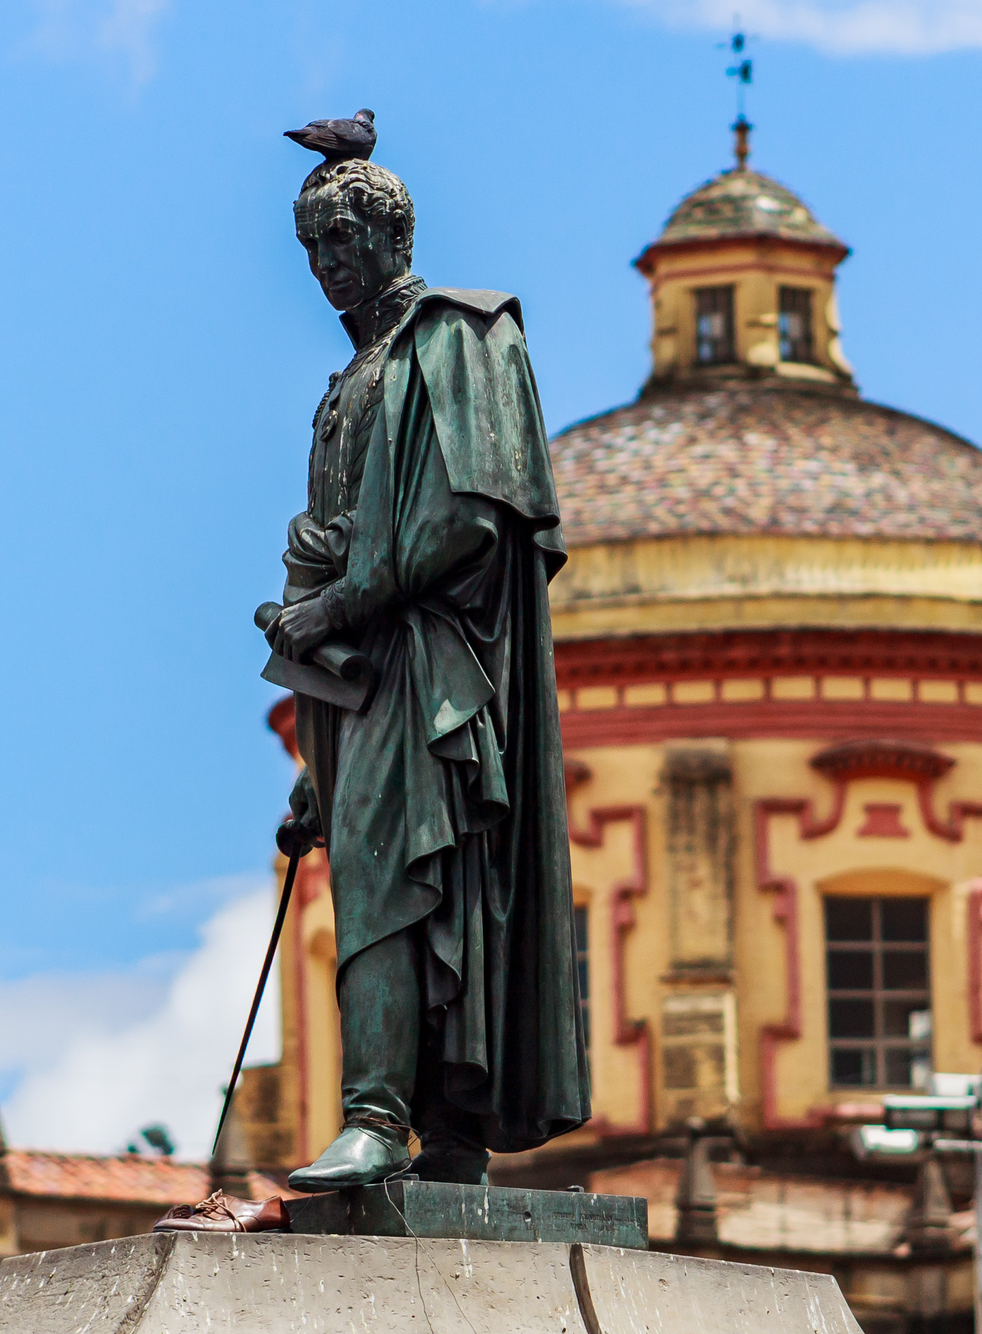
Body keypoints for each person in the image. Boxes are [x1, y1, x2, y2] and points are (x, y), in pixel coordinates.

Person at [267, 145, 589, 1191]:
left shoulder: (455, 333)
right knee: (403, 873)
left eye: (344, 238)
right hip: (363, 678)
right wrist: (317, 761)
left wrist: (334, 602)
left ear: (394, 235)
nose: (327, 263)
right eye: (311, 245)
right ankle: (440, 1130)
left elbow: (465, 516)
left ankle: (377, 1113)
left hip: (435, 662)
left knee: (390, 878)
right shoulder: (347, 381)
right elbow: (345, 530)